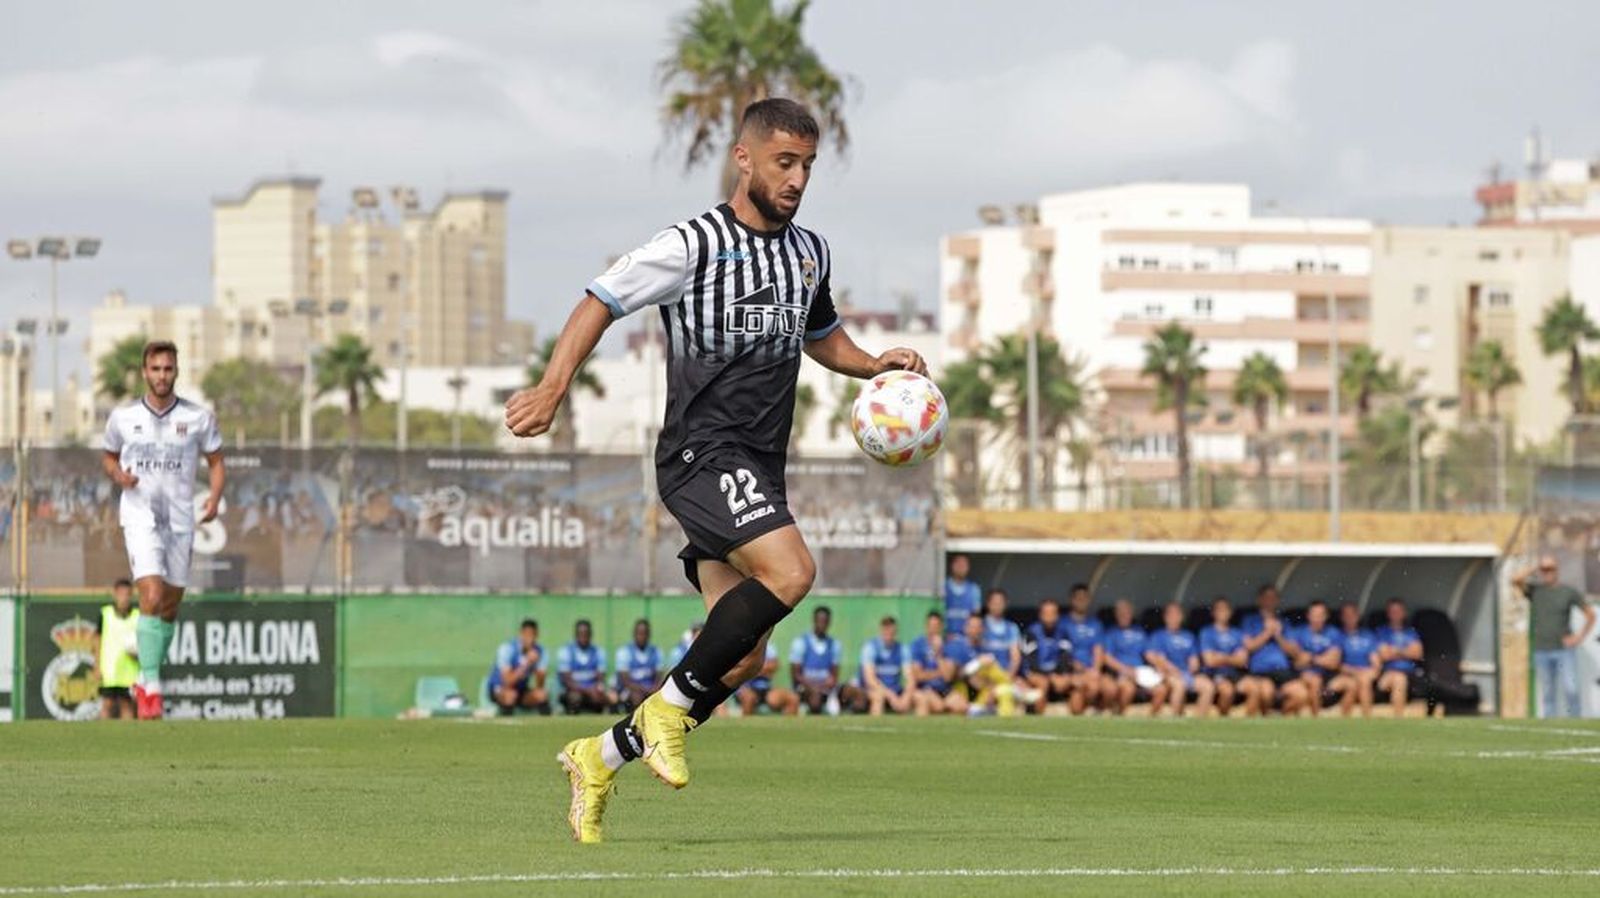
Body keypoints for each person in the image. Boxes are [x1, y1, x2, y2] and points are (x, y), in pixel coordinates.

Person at [518, 98, 929, 843]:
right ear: (745, 159)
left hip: (759, 468)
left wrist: (874, 365)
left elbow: (821, 333)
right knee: (794, 573)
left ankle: (599, 754)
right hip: (701, 455)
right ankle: (666, 714)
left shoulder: (809, 253)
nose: (798, 178)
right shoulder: (692, 245)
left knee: (740, 660)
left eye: (807, 165)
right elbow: (598, 301)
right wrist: (552, 388)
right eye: (784, 162)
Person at [102, 340, 226, 720]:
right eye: (155, 369)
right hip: (140, 518)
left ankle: (145, 675)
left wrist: (214, 496)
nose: (161, 375)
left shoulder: (198, 418)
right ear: (144, 372)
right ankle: (152, 687)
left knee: (169, 606)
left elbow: (217, 461)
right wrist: (118, 474)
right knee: (151, 594)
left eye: (168, 369)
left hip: (180, 521)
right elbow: (108, 456)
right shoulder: (122, 418)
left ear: (176, 371)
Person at [1513, 555, 1597, 719]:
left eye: (1550, 569)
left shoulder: (1568, 592)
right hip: (1541, 650)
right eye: (1544, 570)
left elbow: (1591, 615)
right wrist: (1536, 566)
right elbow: (1515, 580)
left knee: (1571, 688)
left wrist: (1578, 637)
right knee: (1547, 692)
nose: (1547, 573)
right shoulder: (1536, 591)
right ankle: (1550, 725)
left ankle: (1576, 722)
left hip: (1564, 650)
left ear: (1557, 570)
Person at [1240, 585, 1309, 716]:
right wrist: (1267, 633)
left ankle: (1278, 718)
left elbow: (1294, 652)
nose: (1269, 601)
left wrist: (1278, 636)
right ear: (1259, 600)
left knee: (1302, 695)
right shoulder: (1250, 620)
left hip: (1282, 671)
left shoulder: (1284, 623)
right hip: (1261, 671)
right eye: (1266, 597)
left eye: (1273, 598)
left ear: (1277, 600)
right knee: (1266, 693)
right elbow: (1249, 647)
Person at [1146, 602, 1213, 717]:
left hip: (1186, 673)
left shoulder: (1188, 636)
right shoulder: (1158, 635)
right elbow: (1151, 655)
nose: (1174, 618)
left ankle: (1199, 721)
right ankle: (1176, 719)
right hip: (1167, 674)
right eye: (1171, 615)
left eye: (1177, 614)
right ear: (1165, 617)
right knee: (1179, 685)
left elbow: (1194, 660)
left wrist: (1192, 667)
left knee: (1208, 686)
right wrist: (1171, 669)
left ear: (1182, 617)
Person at [948, 614, 1016, 716]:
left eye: (978, 627)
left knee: (998, 682)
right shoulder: (957, 646)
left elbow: (987, 677)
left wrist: (991, 686)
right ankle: (1013, 689)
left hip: (982, 691)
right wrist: (977, 663)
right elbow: (955, 676)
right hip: (961, 691)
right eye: (972, 626)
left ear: (983, 629)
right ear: (966, 628)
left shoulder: (984, 648)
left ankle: (1007, 689)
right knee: (992, 674)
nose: (975, 630)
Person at [845, 616, 914, 716]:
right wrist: (890, 696)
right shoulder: (870, 648)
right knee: (879, 697)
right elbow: (870, 680)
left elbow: (910, 678)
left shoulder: (902, 649)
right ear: (881, 630)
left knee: (918, 698)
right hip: (870, 690)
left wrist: (906, 696)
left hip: (894, 690)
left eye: (892, 632)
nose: (889, 635)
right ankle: (876, 725)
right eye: (886, 631)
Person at [94, 578, 140, 721]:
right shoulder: (105, 614)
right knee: (107, 704)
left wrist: (138, 653)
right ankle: (102, 738)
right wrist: (96, 665)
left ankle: (128, 739)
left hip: (129, 671)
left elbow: (143, 642)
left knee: (127, 704)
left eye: (127, 594)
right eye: (121, 594)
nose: (124, 598)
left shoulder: (137, 615)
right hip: (109, 669)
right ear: (115, 594)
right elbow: (96, 639)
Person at [1290, 600, 1343, 716]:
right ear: (1308, 616)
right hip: (1304, 675)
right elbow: (1298, 661)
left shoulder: (1333, 633)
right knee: (1314, 681)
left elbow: (1334, 662)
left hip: (1328, 675)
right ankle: (1316, 719)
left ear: (1326, 616)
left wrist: (1312, 658)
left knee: (1352, 684)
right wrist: (1324, 658)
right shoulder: (1299, 632)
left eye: (1321, 615)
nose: (1317, 618)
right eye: (1314, 615)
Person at [488, 618, 550, 715]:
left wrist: (540, 671)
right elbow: (507, 681)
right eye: (527, 634)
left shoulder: (541, 651)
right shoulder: (507, 648)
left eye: (533, 635)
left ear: (537, 635)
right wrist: (527, 663)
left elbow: (540, 685)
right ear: (521, 634)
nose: (530, 638)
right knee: (510, 696)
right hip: (500, 688)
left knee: (542, 695)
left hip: (520, 690)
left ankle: (547, 726)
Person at [1328, 603, 1380, 717]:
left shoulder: (1368, 635)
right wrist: (1355, 672)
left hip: (1365, 674)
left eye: (1353, 615)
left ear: (1358, 616)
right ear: (1342, 617)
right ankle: (1345, 721)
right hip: (1343, 674)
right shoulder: (1338, 636)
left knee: (1364, 680)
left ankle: (1368, 720)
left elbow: (1376, 662)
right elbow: (1336, 663)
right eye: (1346, 615)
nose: (1350, 618)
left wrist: (1373, 671)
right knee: (1354, 683)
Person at [1022, 599, 1074, 714]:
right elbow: (1031, 662)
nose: (1050, 617)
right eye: (1047, 613)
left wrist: (1063, 676)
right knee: (1043, 683)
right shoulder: (1031, 632)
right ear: (1040, 615)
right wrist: (1050, 676)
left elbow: (1065, 658)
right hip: (1034, 673)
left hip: (1055, 674)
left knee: (1072, 683)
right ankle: (1037, 719)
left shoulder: (1063, 632)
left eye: (1053, 613)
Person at [790, 605, 843, 715]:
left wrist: (827, 683)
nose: (822, 624)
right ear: (814, 620)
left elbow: (834, 674)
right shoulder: (801, 642)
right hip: (805, 687)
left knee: (851, 694)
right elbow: (796, 674)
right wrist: (812, 687)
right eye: (820, 621)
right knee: (815, 697)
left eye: (825, 621)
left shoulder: (834, 644)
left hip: (825, 687)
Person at [1099, 599, 1149, 715]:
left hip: (1138, 674)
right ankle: (1105, 714)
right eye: (1120, 612)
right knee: (1116, 689)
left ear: (1132, 614)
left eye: (1126, 612)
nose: (1124, 615)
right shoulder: (1110, 633)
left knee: (1157, 689)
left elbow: (1149, 653)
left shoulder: (1140, 632)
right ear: (1116, 615)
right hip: (1117, 673)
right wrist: (1125, 670)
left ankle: (1118, 717)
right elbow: (1106, 657)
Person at [1199, 597, 1248, 716]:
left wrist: (1221, 657)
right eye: (1219, 610)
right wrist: (1232, 658)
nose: (1223, 613)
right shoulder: (1207, 632)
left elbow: (1243, 660)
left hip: (1235, 674)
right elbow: (1209, 661)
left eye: (1225, 610)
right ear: (1213, 613)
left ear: (1230, 612)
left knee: (1256, 688)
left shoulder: (1237, 633)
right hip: (1215, 674)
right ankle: (1223, 720)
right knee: (1227, 690)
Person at [1375, 597, 1424, 715]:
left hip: (1409, 675)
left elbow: (1418, 653)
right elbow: (1385, 655)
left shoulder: (1411, 633)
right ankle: (1398, 719)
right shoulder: (1382, 632)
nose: (1395, 614)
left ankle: (1397, 718)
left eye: (1398, 611)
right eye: (1393, 611)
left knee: (1400, 678)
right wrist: (1406, 652)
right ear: (1388, 614)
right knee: (1398, 678)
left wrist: (1396, 651)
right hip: (1386, 674)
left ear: (1404, 613)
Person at [1061, 583, 1105, 715]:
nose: (1082, 602)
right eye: (1078, 598)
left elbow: (1098, 649)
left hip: (1091, 671)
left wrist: (1095, 670)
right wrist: (1083, 670)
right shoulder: (1063, 623)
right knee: (1088, 688)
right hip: (1072, 671)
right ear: (1071, 600)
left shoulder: (1095, 623)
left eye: (1084, 598)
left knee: (1108, 688)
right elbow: (1062, 653)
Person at [558, 620, 616, 714]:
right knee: (575, 697)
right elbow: (567, 681)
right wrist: (588, 691)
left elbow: (600, 677)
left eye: (586, 633)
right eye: (580, 634)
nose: (583, 637)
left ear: (590, 634)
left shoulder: (598, 652)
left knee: (611, 697)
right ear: (575, 635)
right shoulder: (566, 652)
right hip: (573, 691)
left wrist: (599, 689)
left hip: (593, 691)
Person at [735, 642, 798, 716]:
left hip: (765, 689)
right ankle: (745, 725)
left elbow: (775, 665)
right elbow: (741, 669)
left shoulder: (768, 646)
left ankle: (787, 726)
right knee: (749, 698)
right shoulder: (741, 646)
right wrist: (764, 668)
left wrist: (754, 669)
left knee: (792, 698)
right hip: (745, 688)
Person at [613, 619, 663, 714]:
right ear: (634, 634)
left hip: (650, 689)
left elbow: (659, 676)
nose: (642, 636)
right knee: (636, 696)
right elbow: (625, 680)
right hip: (631, 690)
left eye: (645, 633)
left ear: (649, 635)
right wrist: (645, 690)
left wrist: (655, 689)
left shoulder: (656, 651)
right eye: (639, 633)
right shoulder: (624, 652)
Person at [909, 611, 952, 716]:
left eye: (936, 626)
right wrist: (938, 673)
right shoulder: (918, 645)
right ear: (926, 626)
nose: (933, 629)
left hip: (944, 690)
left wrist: (938, 654)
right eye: (931, 626)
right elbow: (918, 675)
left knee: (961, 706)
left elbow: (947, 676)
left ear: (941, 627)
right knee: (935, 705)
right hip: (925, 689)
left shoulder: (948, 645)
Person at [944, 553, 982, 632]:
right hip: (946, 638)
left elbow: (976, 616)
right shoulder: (943, 587)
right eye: (958, 564)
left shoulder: (974, 589)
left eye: (964, 565)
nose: (961, 567)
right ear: (952, 566)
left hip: (966, 639)